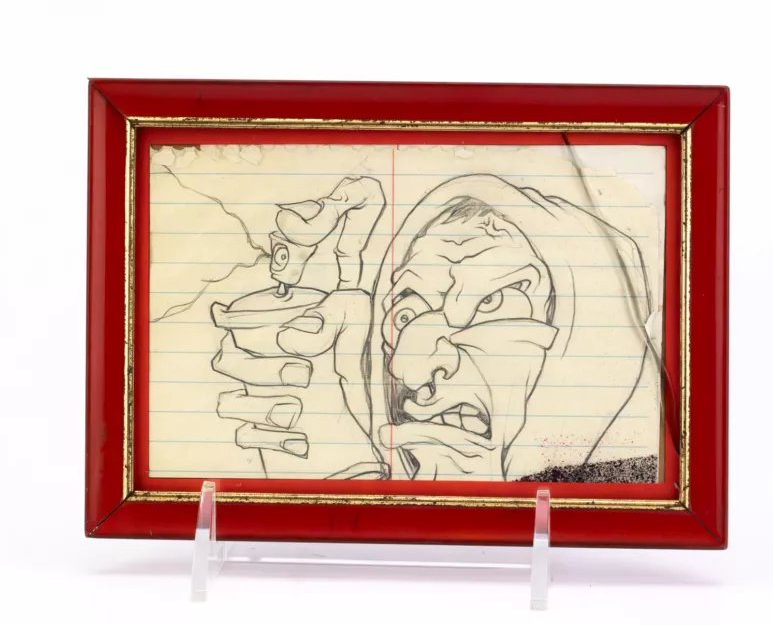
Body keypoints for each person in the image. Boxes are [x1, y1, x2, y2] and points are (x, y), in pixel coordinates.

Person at [216, 173, 654, 482]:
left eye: (490, 302)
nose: (410, 368)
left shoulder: (634, 489)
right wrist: (338, 484)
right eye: (404, 314)